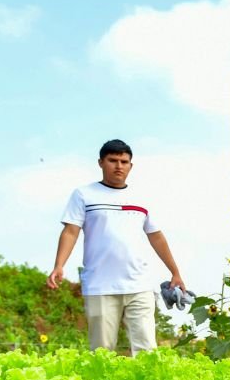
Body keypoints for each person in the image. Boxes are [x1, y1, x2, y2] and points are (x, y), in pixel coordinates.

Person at [47, 139, 186, 354]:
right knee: (102, 352)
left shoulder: (142, 198)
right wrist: (59, 265)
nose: (119, 166)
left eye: (124, 161)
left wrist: (175, 271)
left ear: (131, 165)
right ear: (101, 163)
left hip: (140, 285)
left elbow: (156, 236)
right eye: (113, 160)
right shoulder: (84, 194)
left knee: (147, 352)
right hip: (100, 286)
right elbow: (70, 231)